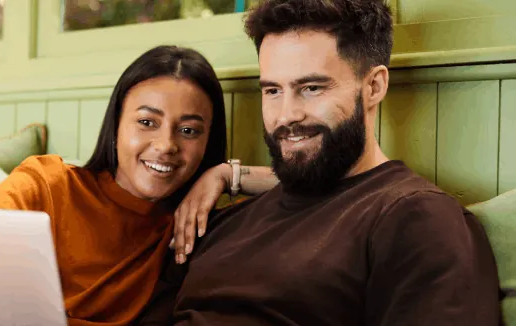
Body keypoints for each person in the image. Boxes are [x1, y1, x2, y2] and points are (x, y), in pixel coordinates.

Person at [147, 0, 503, 324]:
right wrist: (227, 175)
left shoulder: (416, 218)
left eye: (312, 88)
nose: (287, 115)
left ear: (374, 87)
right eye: (273, 90)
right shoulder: (227, 221)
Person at [0, 45, 274, 326]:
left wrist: (226, 175)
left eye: (188, 130)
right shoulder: (46, 186)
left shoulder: (196, 227)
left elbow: (303, 186)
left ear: (208, 141)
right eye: (147, 122)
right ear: (116, 125)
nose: (166, 145)